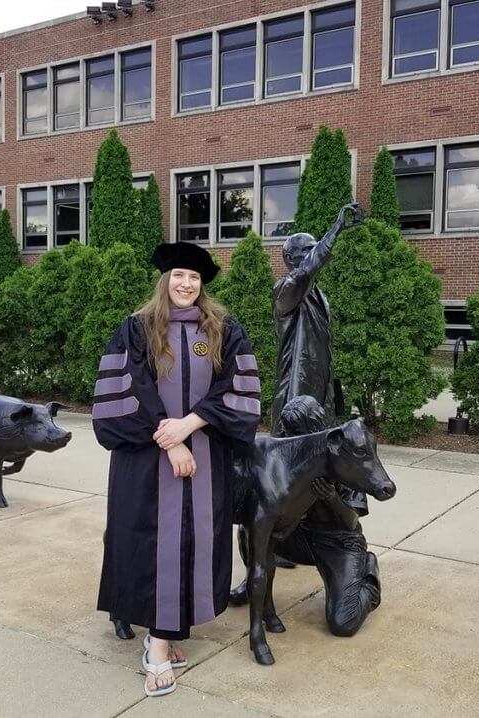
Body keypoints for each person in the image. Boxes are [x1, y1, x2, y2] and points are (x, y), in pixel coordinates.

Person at [92, 242, 261, 697]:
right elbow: (128, 389)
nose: (186, 284)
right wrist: (170, 444)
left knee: (194, 539)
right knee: (152, 542)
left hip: (205, 457)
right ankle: (158, 645)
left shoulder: (223, 329)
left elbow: (239, 389)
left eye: (194, 278)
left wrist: (188, 425)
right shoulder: (138, 329)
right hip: (148, 462)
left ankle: (168, 630)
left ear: (202, 285)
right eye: (178, 276)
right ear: (164, 281)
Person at [230, 395, 381, 637]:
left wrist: (330, 497)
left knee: (343, 623)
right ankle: (252, 583)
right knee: (252, 520)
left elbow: (352, 521)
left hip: (338, 543)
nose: (290, 439)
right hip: (298, 534)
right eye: (286, 432)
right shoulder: (290, 453)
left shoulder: (342, 453)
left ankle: (368, 574)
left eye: (295, 432)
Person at [270, 203, 362, 434]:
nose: (315, 253)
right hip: (297, 385)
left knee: (319, 443)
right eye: (309, 250)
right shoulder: (286, 290)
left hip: (320, 382)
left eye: (314, 249)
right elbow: (305, 272)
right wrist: (336, 229)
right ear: (291, 258)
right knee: (292, 443)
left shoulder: (318, 294)